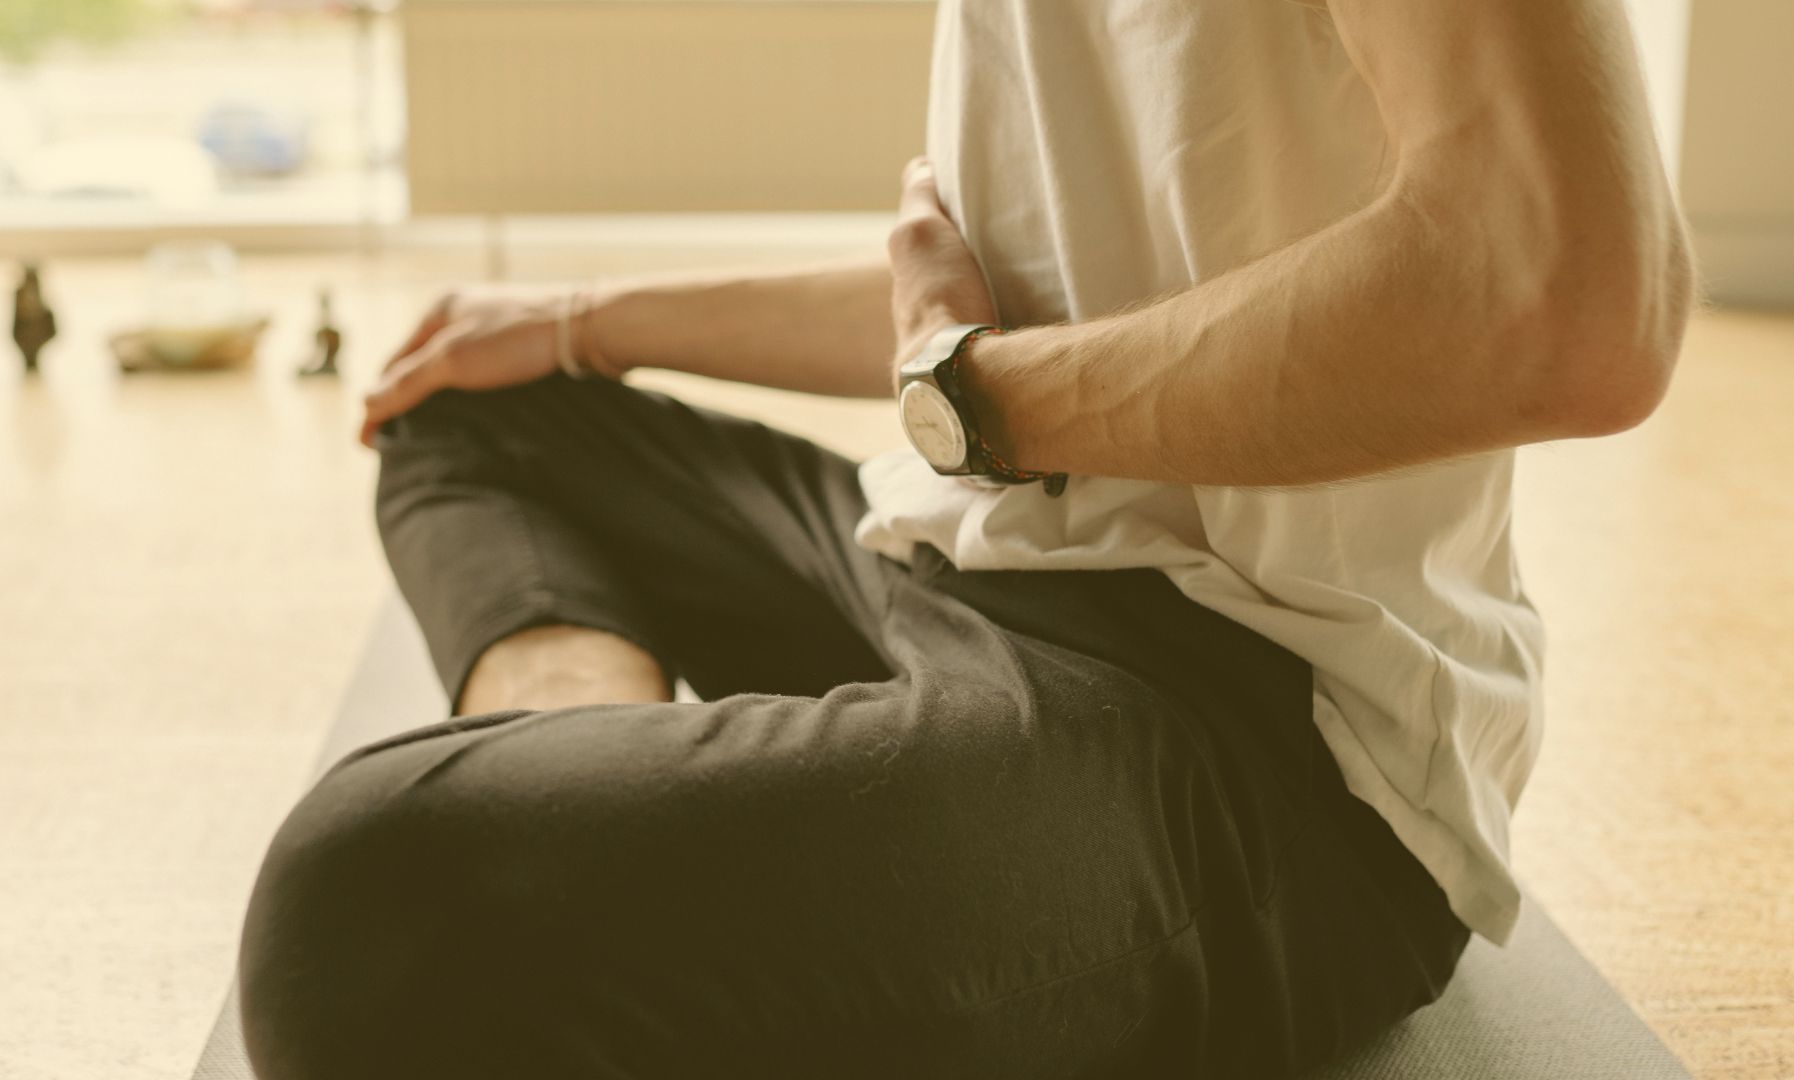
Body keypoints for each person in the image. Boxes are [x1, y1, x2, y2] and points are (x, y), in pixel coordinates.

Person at [237, 0, 1694, 1076]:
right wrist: (580, 322)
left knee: (357, 908)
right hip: (960, 554)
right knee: (469, 404)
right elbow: (994, 325)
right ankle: (590, 770)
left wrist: (973, 397)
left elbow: (1567, 300)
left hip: (1261, 732)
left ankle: (598, 844)